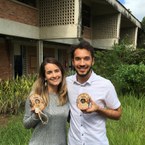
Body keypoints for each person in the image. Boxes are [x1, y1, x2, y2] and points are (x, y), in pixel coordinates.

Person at [66, 40, 122, 145]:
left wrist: (98, 109)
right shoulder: (67, 82)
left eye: (86, 59)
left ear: (93, 61)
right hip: (74, 142)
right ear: (73, 62)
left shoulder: (105, 84)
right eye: (78, 59)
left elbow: (118, 114)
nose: (82, 63)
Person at [23, 57, 69, 145]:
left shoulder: (66, 96)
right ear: (44, 76)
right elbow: (26, 124)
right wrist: (37, 115)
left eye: (57, 71)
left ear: (61, 73)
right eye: (49, 72)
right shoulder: (36, 96)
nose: (54, 75)